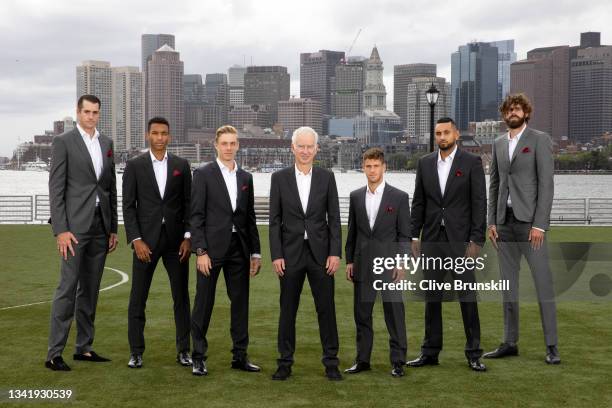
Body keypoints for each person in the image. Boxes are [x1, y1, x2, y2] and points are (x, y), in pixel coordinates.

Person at [484, 93, 559, 364]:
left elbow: (546, 186)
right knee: (508, 287)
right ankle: (509, 342)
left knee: (543, 285)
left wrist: (540, 224)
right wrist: (492, 221)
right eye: (508, 109)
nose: (512, 113)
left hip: (530, 226)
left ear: (526, 112)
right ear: (504, 115)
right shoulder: (498, 143)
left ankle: (551, 346)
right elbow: (494, 185)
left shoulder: (539, 140)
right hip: (505, 225)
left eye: (517, 109)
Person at [408, 117, 487, 372]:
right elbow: (418, 202)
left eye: (446, 132)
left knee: (467, 297)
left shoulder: (472, 162)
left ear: (456, 135)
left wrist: (476, 239)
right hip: (432, 239)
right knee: (432, 298)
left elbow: (479, 204)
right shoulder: (425, 163)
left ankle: (474, 353)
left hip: (461, 241)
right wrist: (413, 235)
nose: (441, 137)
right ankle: (430, 351)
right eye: (438, 133)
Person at [46, 94, 118, 371]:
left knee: (90, 290)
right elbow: (56, 188)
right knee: (67, 289)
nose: (90, 117)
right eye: (86, 112)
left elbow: (109, 187)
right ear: (78, 112)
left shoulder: (106, 143)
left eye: (95, 112)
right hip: (74, 230)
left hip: (101, 227)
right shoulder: (63, 142)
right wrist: (61, 229)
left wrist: (112, 227)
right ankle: (54, 353)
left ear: (99, 114)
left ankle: (84, 348)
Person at [269, 126, 342, 381]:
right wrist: (276, 255)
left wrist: (335, 253)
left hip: (322, 255)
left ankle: (331, 362)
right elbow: (274, 220)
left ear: (317, 149)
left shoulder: (327, 177)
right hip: (289, 255)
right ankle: (284, 363)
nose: (305, 151)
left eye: (310, 146)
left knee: (326, 309)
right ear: (292, 148)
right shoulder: (279, 178)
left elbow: (334, 219)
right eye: (301, 146)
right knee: (287, 310)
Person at [190, 125, 262, 376]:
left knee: (240, 304)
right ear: (216, 145)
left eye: (233, 143)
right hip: (210, 250)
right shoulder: (203, 174)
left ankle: (240, 356)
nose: (229, 148)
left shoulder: (246, 178)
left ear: (238, 145)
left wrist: (256, 252)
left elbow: (249, 217)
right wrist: (200, 251)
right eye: (224, 143)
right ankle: (198, 357)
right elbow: (196, 216)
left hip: (239, 250)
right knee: (203, 303)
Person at [122, 117, 193, 369]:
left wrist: (188, 238)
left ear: (169, 136)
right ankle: (136, 352)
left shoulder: (182, 165)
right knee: (138, 298)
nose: (160, 137)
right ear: (147, 136)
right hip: (145, 244)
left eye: (164, 133)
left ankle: (184, 350)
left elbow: (189, 205)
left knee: (181, 298)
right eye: (155, 133)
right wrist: (136, 239)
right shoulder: (134, 166)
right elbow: (128, 207)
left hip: (177, 244)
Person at [344, 147, 410, 378]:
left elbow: (404, 235)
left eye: (376, 166)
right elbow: (352, 233)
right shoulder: (355, 196)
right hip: (362, 265)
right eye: (368, 166)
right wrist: (349, 261)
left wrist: (401, 263)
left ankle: (398, 361)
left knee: (394, 315)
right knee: (362, 316)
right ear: (363, 168)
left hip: (390, 267)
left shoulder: (399, 197)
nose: (372, 170)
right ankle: (362, 360)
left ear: (384, 167)